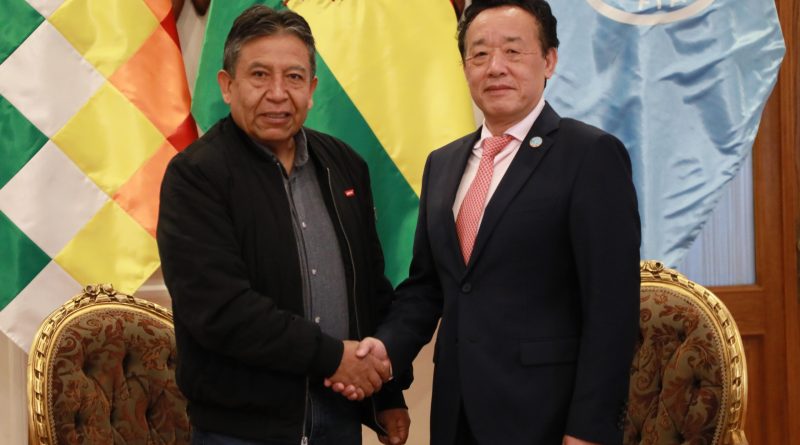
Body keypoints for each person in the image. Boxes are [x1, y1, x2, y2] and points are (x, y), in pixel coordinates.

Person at [331, 1, 641, 444]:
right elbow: (426, 289)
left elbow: (612, 309)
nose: (495, 67)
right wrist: (384, 352)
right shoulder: (443, 163)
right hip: (456, 413)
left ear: (549, 60)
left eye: (513, 51)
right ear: (464, 67)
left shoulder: (589, 155)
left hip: (546, 417)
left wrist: (590, 429)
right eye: (479, 54)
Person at [156, 5, 410, 445]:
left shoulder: (345, 166)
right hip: (242, 430)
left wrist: (388, 392)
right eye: (259, 75)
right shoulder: (195, 176)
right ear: (227, 86)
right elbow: (221, 311)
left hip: (340, 419)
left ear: (311, 90)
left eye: (293, 77)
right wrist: (333, 357)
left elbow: (370, 288)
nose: (277, 93)